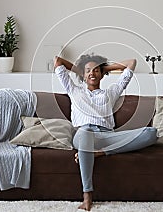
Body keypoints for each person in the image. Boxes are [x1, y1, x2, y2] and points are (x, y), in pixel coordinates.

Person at [54, 54, 157, 211]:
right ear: (83, 74)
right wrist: (83, 70)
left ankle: (99, 153)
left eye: (96, 71)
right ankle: (87, 195)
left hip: (107, 137)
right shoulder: (73, 90)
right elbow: (58, 61)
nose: (92, 74)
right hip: (83, 135)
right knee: (86, 131)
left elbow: (131, 62)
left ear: (101, 74)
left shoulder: (111, 92)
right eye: (88, 71)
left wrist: (104, 68)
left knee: (151, 133)